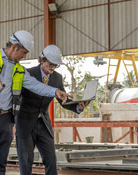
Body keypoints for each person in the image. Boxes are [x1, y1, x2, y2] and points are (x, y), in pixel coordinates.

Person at [0, 31, 71, 175]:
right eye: (24, 52)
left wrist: (55, 91)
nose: (25, 56)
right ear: (14, 47)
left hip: (6, 120)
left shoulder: (19, 69)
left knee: (0, 164)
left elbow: (35, 85)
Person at [16, 45, 90, 175]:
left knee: (51, 159)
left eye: (56, 65)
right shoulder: (28, 73)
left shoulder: (57, 78)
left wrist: (78, 106)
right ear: (42, 60)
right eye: (51, 64)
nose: (53, 67)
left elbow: (63, 99)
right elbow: (16, 97)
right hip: (25, 123)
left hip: (43, 124)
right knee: (26, 161)